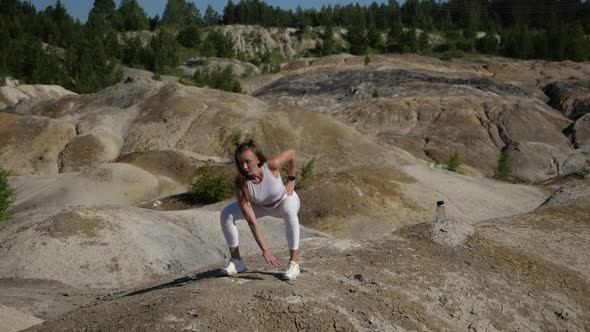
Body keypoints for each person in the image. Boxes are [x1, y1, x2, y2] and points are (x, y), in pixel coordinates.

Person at [219, 140, 301, 280]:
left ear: (258, 158)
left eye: (248, 161)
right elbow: (251, 221)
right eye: (241, 163)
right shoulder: (241, 183)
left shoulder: (272, 165)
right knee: (227, 214)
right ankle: (237, 261)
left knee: (289, 211)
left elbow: (292, 153)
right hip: (262, 207)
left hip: (284, 200)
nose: (244, 167)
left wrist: (291, 178)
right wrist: (265, 250)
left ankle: (294, 263)